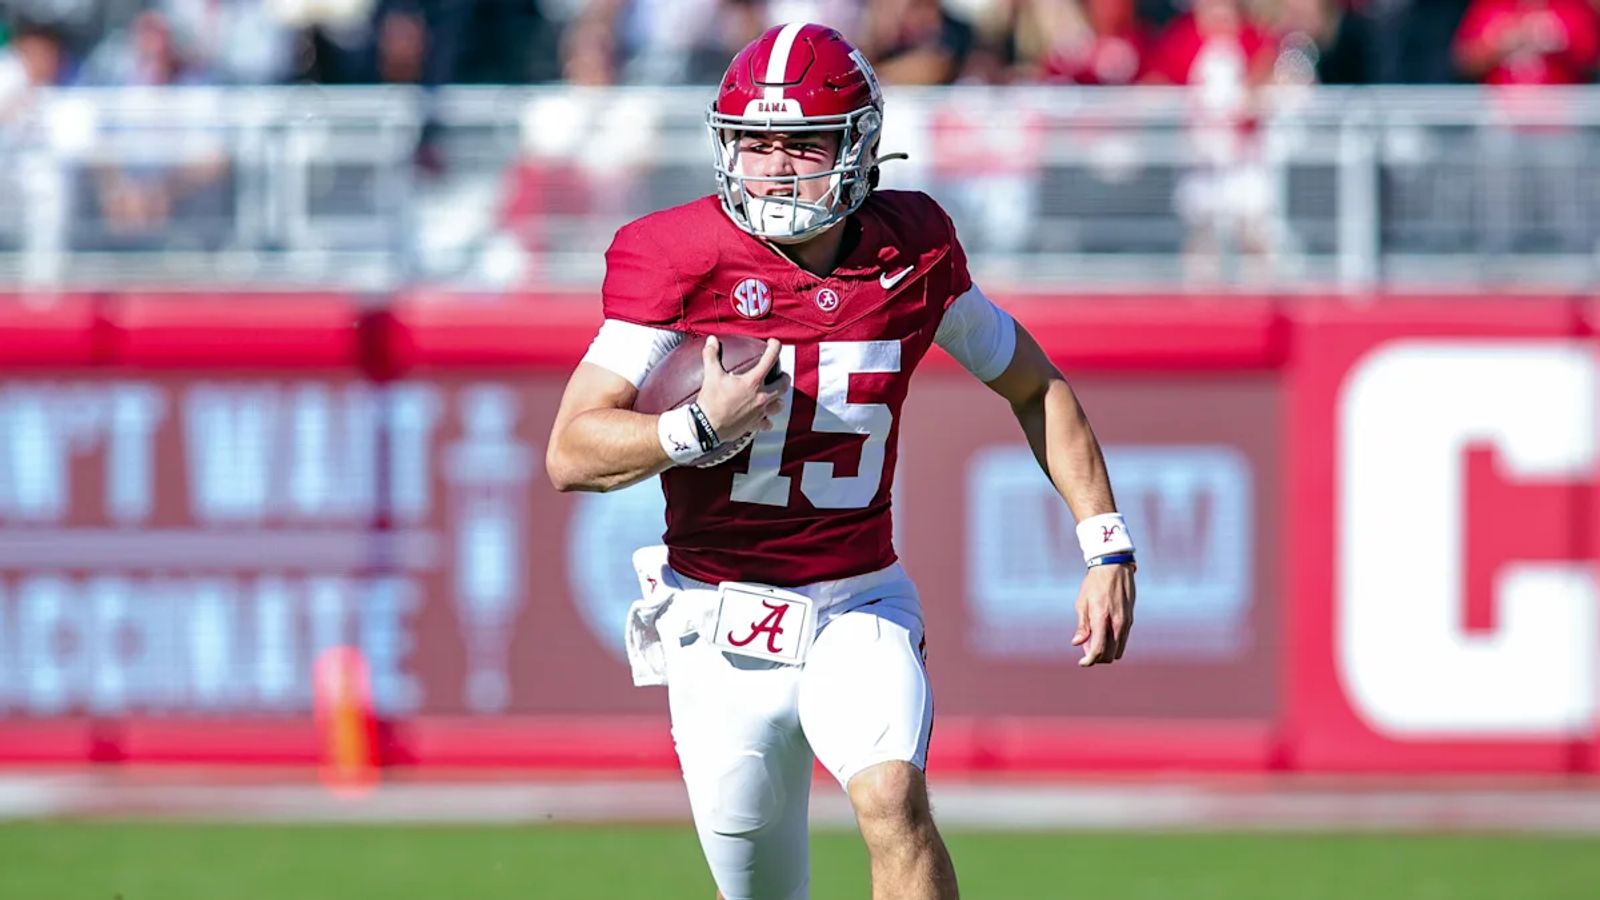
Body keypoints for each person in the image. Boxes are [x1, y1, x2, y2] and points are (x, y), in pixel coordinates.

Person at [546, 22, 1137, 900]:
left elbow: (1034, 385)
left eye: (803, 145)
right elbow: (570, 449)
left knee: (894, 801)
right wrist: (698, 427)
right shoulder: (677, 256)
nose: (776, 168)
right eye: (757, 144)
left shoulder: (912, 249)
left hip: (858, 597)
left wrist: (1107, 545)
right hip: (718, 616)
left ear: (858, 149)